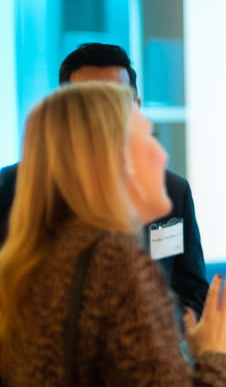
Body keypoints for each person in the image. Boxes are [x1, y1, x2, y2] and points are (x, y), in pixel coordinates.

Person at [0, 82, 226, 387]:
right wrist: (216, 355)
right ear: (115, 160)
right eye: (148, 136)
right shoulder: (115, 259)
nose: (162, 152)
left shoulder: (37, 260)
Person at [0, 43, 208, 316]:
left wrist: (154, 333)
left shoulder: (171, 189)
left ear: (136, 106)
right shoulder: (15, 185)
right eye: (87, 101)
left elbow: (193, 292)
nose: (102, 113)